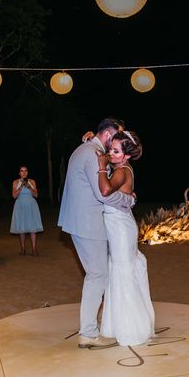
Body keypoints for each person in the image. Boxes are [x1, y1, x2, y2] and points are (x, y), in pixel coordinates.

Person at [58, 117, 135, 349]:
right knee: (97, 276)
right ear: (108, 135)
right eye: (117, 136)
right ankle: (88, 334)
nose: (119, 140)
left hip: (81, 221)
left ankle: (90, 330)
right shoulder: (92, 154)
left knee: (96, 274)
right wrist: (129, 200)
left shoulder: (85, 148)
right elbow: (103, 194)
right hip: (88, 223)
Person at [97, 130, 155, 346]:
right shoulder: (124, 168)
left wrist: (102, 165)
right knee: (120, 270)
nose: (110, 153)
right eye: (110, 148)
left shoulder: (121, 170)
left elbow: (104, 190)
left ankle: (132, 329)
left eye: (115, 151)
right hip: (121, 224)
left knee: (122, 272)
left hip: (120, 228)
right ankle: (117, 324)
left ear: (127, 156)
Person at [10, 165, 43, 256]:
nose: (23, 173)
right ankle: (23, 249)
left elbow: (36, 195)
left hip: (31, 205)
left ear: (27, 172)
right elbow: (14, 196)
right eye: (21, 171)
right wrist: (20, 187)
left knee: (32, 228)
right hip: (20, 205)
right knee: (21, 228)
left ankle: (33, 249)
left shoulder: (32, 181)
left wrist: (29, 187)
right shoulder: (15, 182)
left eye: (25, 171)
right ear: (19, 173)